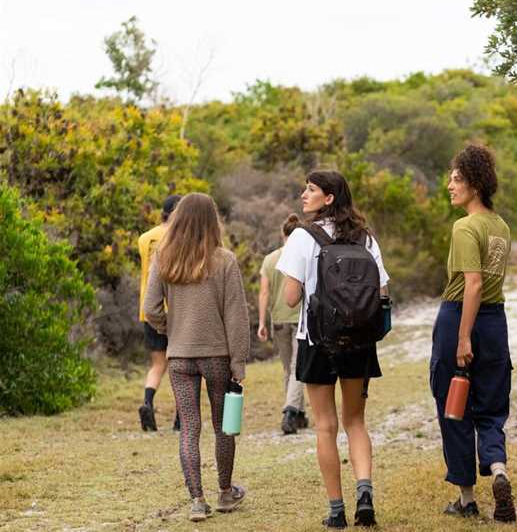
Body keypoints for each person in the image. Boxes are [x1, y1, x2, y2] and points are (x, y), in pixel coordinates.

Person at [276, 170, 389, 529]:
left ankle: (337, 510)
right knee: (356, 421)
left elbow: (291, 299)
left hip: (317, 341)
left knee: (326, 426)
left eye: (310, 190)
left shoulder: (301, 238)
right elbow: (382, 292)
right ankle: (365, 494)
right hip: (359, 341)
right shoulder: (365, 238)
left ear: (328, 198)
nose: (303, 194)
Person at [144, 193, 249, 522]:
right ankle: (226, 492)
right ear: (212, 220)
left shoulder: (164, 257)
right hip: (217, 354)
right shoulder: (225, 260)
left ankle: (197, 501)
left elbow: (149, 309)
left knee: (189, 427)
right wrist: (239, 360)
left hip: (179, 357)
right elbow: (236, 316)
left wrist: (170, 330)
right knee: (223, 427)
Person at [430, 144, 517, 523]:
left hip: (460, 319)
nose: (450, 185)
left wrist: (463, 337)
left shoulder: (465, 227)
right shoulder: (501, 226)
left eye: (457, 179)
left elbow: (474, 284)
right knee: (492, 402)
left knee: (454, 402)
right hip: (495, 323)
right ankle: (498, 470)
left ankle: (466, 498)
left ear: (475, 185)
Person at [257, 214, 309, 435]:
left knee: (289, 368)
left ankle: (300, 414)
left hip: (278, 319)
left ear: (283, 234)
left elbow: (264, 293)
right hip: (299, 319)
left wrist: (261, 322)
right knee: (299, 367)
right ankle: (290, 411)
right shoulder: (304, 257)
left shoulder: (270, 259)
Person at [137, 194, 182, 432]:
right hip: (175, 310)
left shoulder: (144, 238)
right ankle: (180, 418)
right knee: (179, 366)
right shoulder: (179, 238)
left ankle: (147, 402)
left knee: (157, 364)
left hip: (148, 309)